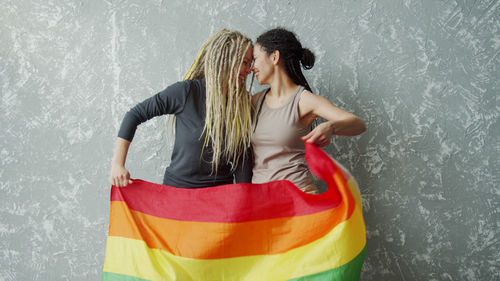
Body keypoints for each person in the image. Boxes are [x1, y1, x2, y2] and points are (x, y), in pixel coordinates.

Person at [110, 29, 254, 188]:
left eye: (250, 63)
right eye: (245, 62)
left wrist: (243, 194)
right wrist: (117, 164)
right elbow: (134, 115)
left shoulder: (243, 103)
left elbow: (243, 157)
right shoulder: (186, 92)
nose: (249, 70)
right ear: (226, 59)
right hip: (176, 195)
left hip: (218, 199)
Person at [250, 28, 366, 194]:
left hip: (300, 198)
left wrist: (331, 127)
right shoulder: (255, 101)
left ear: (274, 57)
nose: (252, 67)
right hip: (262, 204)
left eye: (255, 59)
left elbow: (358, 124)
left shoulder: (304, 100)